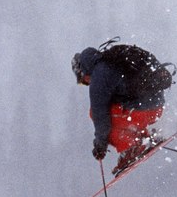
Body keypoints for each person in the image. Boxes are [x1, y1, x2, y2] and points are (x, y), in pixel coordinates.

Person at [71, 42, 170, 175]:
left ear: (83, 72)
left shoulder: (99, 75)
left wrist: (100, 145)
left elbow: (100, 117)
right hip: (157, 108)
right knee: (117, 108)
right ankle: (145, 139)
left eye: (83, 81)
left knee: (95, 113)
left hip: (142, 111)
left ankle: (133, 147)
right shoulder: (113, 59)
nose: (87, 84)